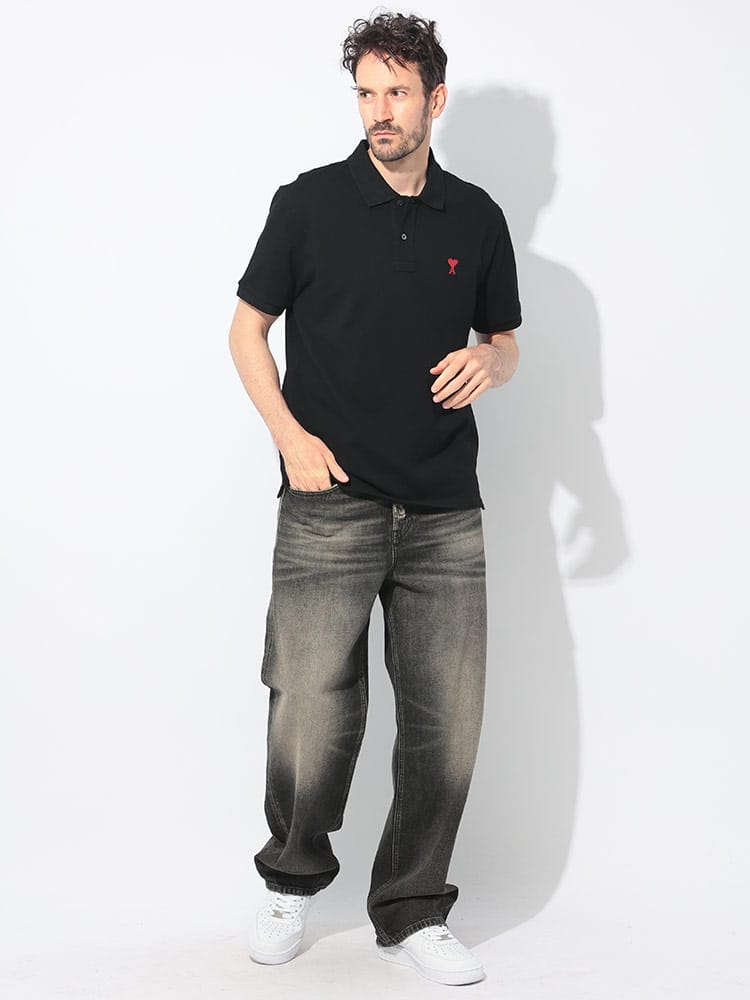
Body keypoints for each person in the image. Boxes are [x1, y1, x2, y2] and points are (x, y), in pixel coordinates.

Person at [228, 11, 521, 987]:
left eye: (398, 92)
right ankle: (290, 880)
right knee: (309, 710)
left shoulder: (476, 218)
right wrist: (290, 438)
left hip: (445, 511)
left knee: (448, 723)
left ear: (436, 100)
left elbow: (506, 341)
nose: (380, 111)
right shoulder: (308, 204)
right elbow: (246, 331)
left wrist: (492, 361)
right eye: (366, 92)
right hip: (329, 504)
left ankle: (412, 908)